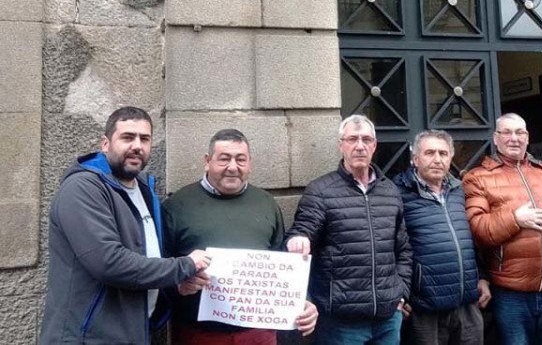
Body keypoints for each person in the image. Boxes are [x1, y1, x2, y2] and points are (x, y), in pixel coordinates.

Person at [40, 107, 211, 345]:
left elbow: (145, 259)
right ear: (105, 143)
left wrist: (175, 286)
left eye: (145, 138)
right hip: (86, 338)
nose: (137, 146)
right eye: (128, 137)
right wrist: (184, 266)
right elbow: (109, 262)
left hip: (134, 334)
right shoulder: (82, 189)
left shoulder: (143, 191)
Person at [162, 128, 318, 344]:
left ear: (250, 163)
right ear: (207, 161)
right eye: (224, 159)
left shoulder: (266, 203)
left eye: (241, 160)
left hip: (258, 334)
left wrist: (302, 301)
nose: (233, 167)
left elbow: (282, 264)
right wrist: (178, 285)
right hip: (199, 334)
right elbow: (158, 267)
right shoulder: (176, 206)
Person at [285, 114, 413, 344]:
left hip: (387, 318)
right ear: (340, 145)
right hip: (340, 323)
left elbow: (403, 249)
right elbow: (300, 233)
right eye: (352, 139)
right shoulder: (320, 191)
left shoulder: (390, 191)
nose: (360, 146)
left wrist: (400, 293)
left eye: (366, 139)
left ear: (374, 146)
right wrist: (297, 240)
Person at [462, 113, 542, 345]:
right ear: (495, 138)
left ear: (527, 138)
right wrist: (515, 219)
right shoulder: (478, 178)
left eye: (520, 132)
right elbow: (477, 229)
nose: (514, 138)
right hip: (511, 293)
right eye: (507, 132)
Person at [392, 130, 491, 345]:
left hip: (466, 303)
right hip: (425, 307)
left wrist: (482, 276)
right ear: (415, 158)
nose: (437, 159)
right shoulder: (397, 193)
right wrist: (401, 294)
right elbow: (391, 248)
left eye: (443, 153)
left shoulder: (458, 190)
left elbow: (468, 241)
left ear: (450, 158)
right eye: (429, 153)